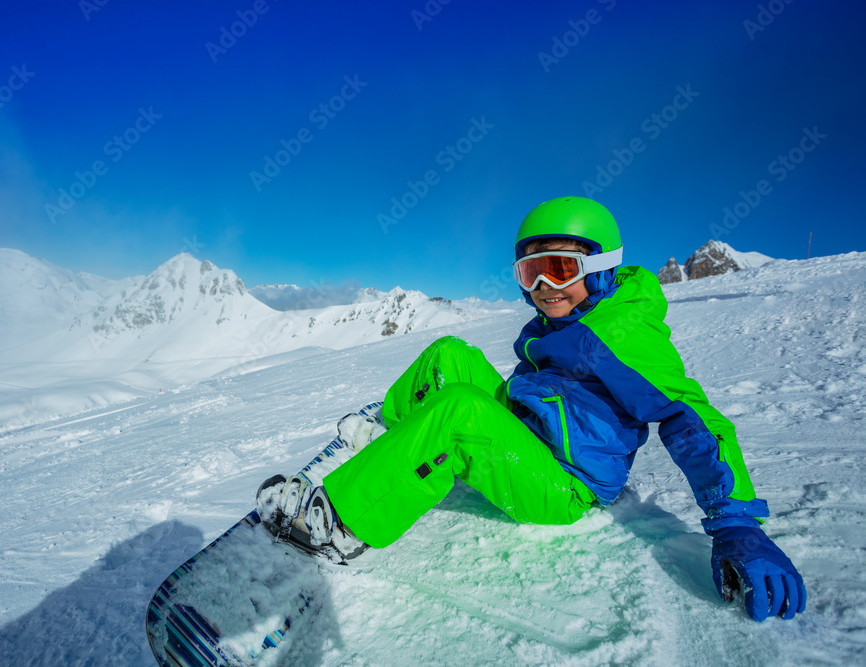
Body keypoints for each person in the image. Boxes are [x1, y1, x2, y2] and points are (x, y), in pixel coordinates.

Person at [256, 196, 806, 622]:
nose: (545, 287)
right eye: (530, 272)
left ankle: (339, 525)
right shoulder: (563, 322)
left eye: (561, 270)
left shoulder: (620, 333)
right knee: (452, 356)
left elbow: (690, 418)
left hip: (563, 483)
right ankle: (390, 438)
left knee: (462, 413)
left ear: (601, 268)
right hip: (532, 433)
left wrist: (734, 524)